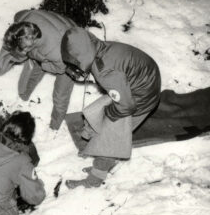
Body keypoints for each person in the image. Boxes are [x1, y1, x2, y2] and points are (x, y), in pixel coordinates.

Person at [61, 27, 161, 188]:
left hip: (140, 98)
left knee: (109, 138)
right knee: (96, 113)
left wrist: (109, 115)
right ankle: (107, 164)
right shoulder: (100, 47)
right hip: (139, 86)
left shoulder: (105, 71)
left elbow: (125, 106)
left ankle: (95, 178)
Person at [0, 9, 78, 130]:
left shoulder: (55, 51)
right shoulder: (22, 20)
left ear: (32, 42)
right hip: (56, 33)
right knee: (32, 67)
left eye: (24, 50)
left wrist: (43, 63)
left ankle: (55, 126)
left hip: (70, 53)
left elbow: (61, 68)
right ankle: (23, 96)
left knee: (60, 94)